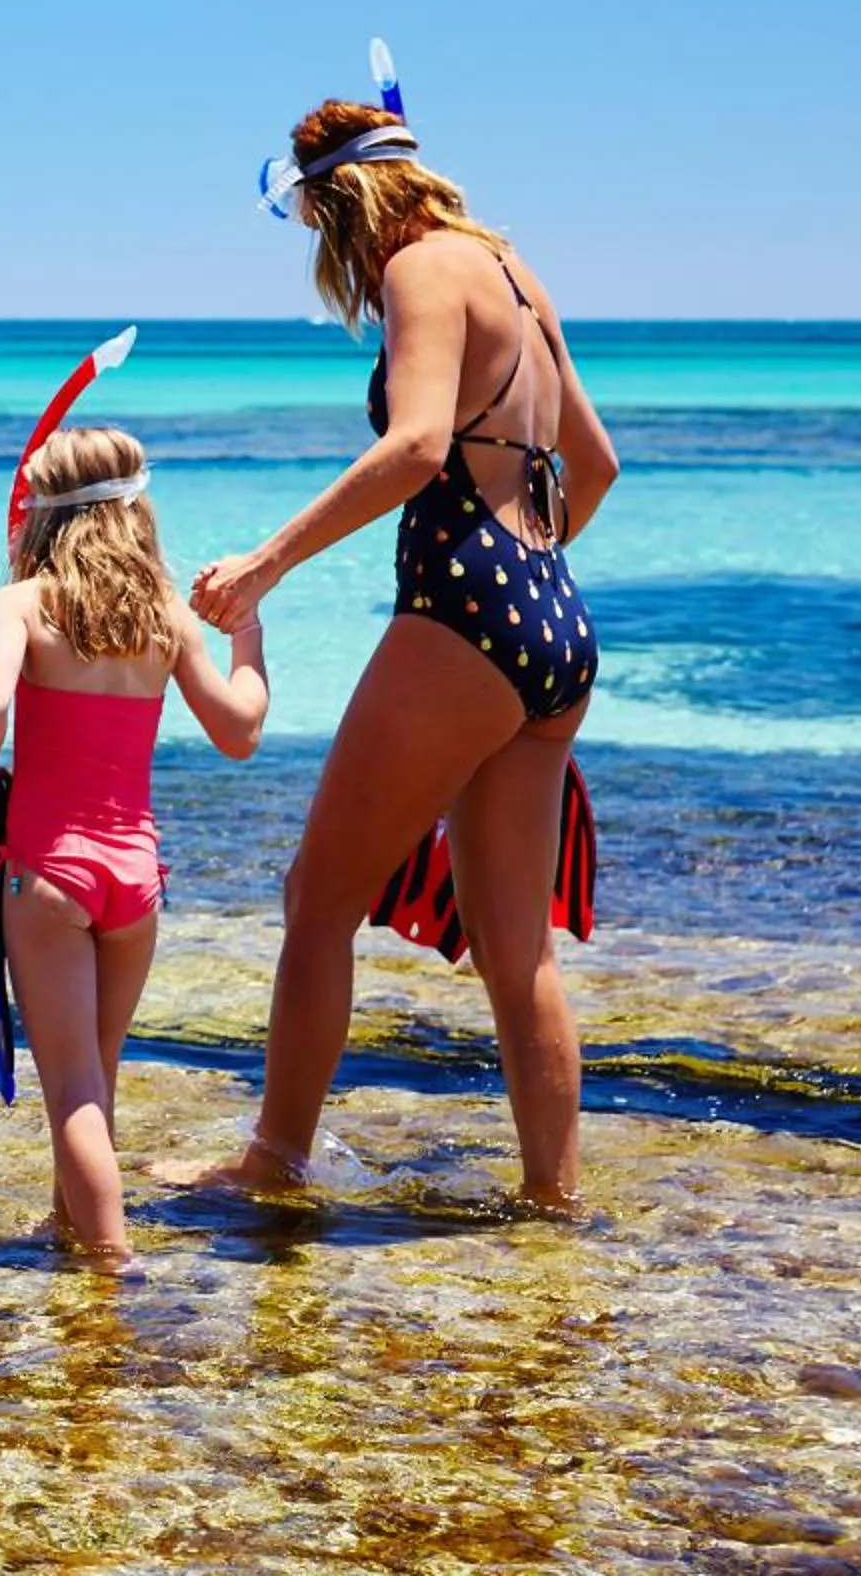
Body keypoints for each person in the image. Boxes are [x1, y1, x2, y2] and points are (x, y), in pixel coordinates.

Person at [189, 96, 618, 1209]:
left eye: (320, 224)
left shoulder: (421, 268)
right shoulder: (514, 271)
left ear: (347, 201)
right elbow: (598, 464)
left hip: (463, 609)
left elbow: (419, 444)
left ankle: (272, 1164)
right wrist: (523, 586)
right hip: (555, 618)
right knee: (518, 950)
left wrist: (267, 563)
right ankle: (552, 1198)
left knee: (317, 898)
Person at [0, 426, 269, 1268]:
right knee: (98, 1073)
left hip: (50, 876)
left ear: (39, 517)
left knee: (71, 1090)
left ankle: (109, 1267)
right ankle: (73, 1235)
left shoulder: (20, 604)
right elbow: (239, 731)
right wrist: (249, 637)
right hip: (136, 878)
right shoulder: (166, 618)